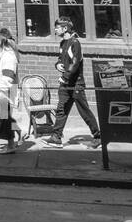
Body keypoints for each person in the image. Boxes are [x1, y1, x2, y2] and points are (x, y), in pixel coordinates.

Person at [42, 16, 101, 147]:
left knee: (84, 111)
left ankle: (98, 136)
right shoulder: (63, 43)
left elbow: (75, 63)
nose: (55, 29)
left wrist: (65, 77)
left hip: (76, 84)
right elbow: (60, 59)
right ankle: (56, 137)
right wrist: (57, 65)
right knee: (61, 109)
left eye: (57, 27)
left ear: (65, 28)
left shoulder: (75, 43)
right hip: (65, 84)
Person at [0, 28, 23, 154]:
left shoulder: (9, 55)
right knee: (4, 118)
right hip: (4, 91)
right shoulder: (5, 53)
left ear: (2, 38)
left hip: (6, 92)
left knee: (5, 119)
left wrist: (2, 92)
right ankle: (13, 140)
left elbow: (8, 75)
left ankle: (11, 145)